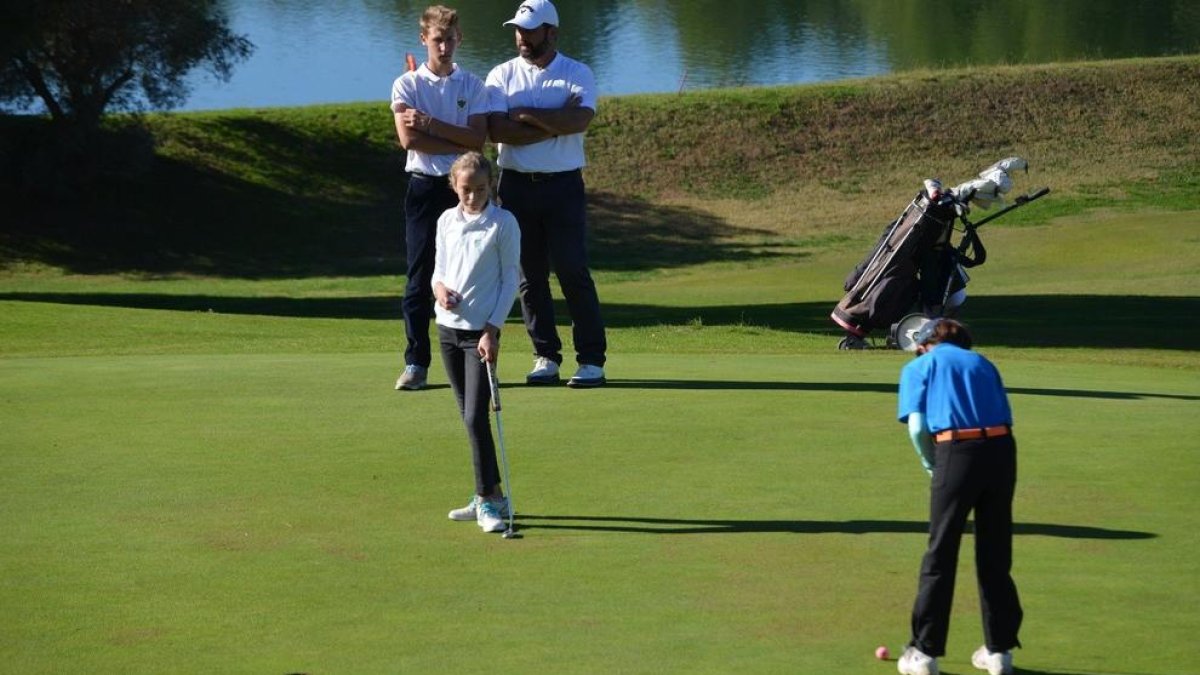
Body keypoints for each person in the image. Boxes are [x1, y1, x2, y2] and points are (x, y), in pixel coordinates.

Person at [484, 0, 608, 388]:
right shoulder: (501, 75)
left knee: (572, 269)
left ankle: (591, 361)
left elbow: (581, 119)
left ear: (551, 32)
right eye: (519, 30)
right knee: (528, 277)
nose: (521, 37)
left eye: (530, 30)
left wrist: (526, 115)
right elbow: (497, 131)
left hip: (563, 185)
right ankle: (546, 357)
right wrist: (555, 123)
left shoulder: (577, 72)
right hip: (516, 185)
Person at [896, 319, 1023, 675]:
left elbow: (919, 428)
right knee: (995, 551)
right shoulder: (984, 363)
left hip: (956, 451)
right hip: (1001, 450)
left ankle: (924, 653)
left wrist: (930, 463)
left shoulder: (919, 366)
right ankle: (999, 652)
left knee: (941, 551)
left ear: (923, 344)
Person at [390, 5, 489, 391]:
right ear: (424, 40)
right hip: (424, 186)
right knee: (419, 278)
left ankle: (474, 356)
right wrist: (455, 135)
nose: (444, 47)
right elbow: (409, 140)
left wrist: (431, 123)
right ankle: (416, 362)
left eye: (450, 40)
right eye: (437, 40)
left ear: (459, 40)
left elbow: (477, 139)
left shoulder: (473, 86)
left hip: (463, 190)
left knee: (470, 274)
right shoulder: (406, 85)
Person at [432, 152, 521, 533]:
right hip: (447, 330)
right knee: (469, 419)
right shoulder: (445, 220)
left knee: (474, 416)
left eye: (480, 190)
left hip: (478, 334)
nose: (472, 198)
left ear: (491, 186)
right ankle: (486, 495)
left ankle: (490, 501)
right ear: (454, 186)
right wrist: (439, 290)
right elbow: (438, 269)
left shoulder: (502, 223)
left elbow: (510, 279)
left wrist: (492, 330)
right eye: (466, 190)